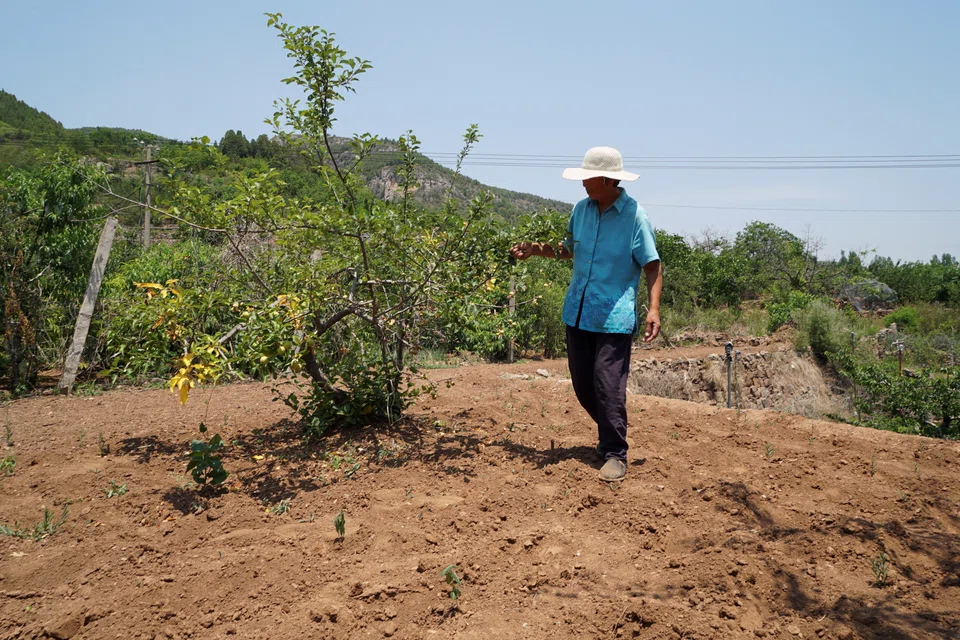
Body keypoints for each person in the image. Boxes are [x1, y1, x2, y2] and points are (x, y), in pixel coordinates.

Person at [510, 146, 662, 482]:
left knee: (608, 384)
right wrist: (534, 250)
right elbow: (567, 250)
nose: (582, 184)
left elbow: (652, 266)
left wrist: (653, 309)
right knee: (583, 385)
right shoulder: (581, 210)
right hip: (578, 311)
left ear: (607, 179)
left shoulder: (636, 216)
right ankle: (611, 431)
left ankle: (614, 452)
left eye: (587, 178)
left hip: (614, 317)